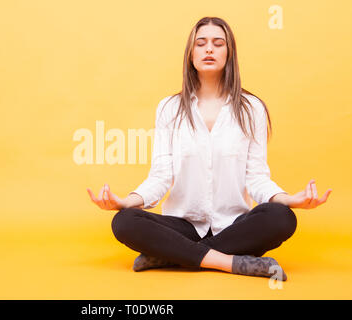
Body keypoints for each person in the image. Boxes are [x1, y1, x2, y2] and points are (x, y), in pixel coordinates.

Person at [87, 17, 332, 281]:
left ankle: (172, 256)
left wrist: (290, 199)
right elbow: (160, 177)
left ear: (229, 53)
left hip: (234, 227)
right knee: (124, 222)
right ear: (191, 54)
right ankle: (228, 262)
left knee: (282, 218)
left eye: (218, 43)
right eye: (201, 43)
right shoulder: (169, 109)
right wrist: (125, 202)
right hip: (184, 226)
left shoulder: (252, 109)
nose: (209, 49)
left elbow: (257, 177)